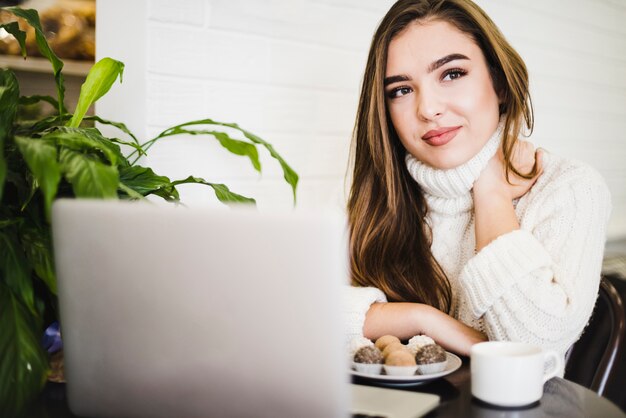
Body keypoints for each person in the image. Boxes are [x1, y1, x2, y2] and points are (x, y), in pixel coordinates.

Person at [345, 0, 612, 370]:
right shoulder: (380, 198)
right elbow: (303, 315)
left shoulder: (570, 188)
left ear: (499, 82)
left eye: (452, 74)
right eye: (402, 90)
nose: (428, 109)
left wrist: (491, 192)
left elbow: (532, 349)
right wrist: (425, 319)